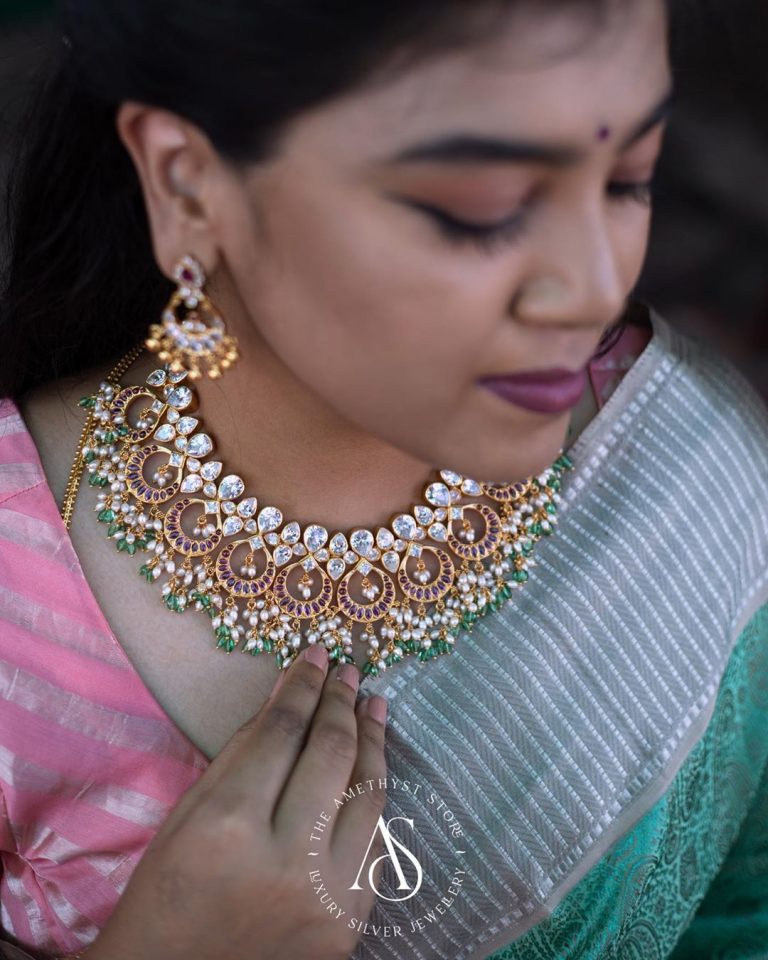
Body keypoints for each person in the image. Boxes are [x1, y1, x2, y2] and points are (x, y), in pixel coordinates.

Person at [0, 1, 766, 959]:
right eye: (481, 207)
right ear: (188, 184)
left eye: (629, 180)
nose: (594, 284)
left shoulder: (692, 466)